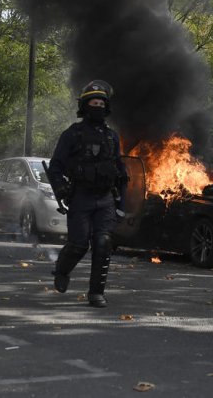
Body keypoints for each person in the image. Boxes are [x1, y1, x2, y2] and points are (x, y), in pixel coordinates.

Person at [47, 80, 127, 308]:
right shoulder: (72, 134)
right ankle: (62, 270)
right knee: (79, 244)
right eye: (94, 102)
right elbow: (56, 167)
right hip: (81, 197)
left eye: (102, 102)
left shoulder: (112, 137)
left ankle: (96, 293)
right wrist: (61, 189)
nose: (98, 106)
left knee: (103, 243)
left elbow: (121, 172)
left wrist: (122, 201)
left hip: (105, 199)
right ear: (85, 105)